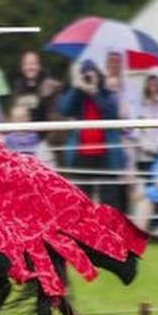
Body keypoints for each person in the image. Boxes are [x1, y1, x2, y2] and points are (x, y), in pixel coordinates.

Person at [56, 60, 127, 212]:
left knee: (110, 201)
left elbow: (112, 113)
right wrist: (78, 88)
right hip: (81, 155)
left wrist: (94, 92)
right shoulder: (77, 96)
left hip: (106, 155)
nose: (88, 78)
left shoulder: (107, 95)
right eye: (86, 76)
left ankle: (111, 232)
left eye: (91, 75)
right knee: (81, 199)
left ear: (99, 77)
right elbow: (64, 109)